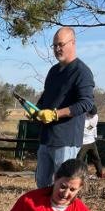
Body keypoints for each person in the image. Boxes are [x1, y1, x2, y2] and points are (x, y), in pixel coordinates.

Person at [32, 27, 95, 188]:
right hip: (46, 137)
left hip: (66, 139)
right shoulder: (53, 71)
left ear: (73, 43)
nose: (57, 49)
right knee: (42, 184)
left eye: (61, 44)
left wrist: (55, 114)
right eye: (54, 46)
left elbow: (86, 103)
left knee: (62, 186)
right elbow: (46, 97)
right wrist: (36, 110)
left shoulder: (82, 72)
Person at [77, 105, 103, 178]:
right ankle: (77, 175)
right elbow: (89, 129)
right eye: (90, 115)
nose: (92, 116)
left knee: (96, 158)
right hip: (83, 142)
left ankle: (100, 174)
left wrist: (95, 136)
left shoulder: (95, 117)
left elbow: (92, 127)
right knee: (79, 160)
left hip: (91, 141)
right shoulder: (82, 118)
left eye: (93, 115)